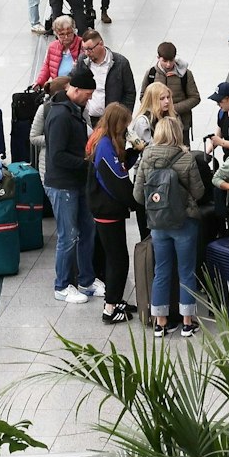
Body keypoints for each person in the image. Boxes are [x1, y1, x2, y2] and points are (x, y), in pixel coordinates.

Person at [135, 117, 207, 335]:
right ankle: (187, 322)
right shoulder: (186, 158)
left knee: (161, 271)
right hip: (184, 222)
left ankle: (160, 322)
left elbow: (138, 195)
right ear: (177, 133)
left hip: (158, 223)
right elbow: (199, 192)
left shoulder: (147, 156)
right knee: (186, 272)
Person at [44, 68, 102, 304]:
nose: (90, 99)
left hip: (77, 182)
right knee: (68, 236)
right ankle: (62, 285)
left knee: (88, 231)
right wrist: (86, 163)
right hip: (62, 185)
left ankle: (86, 280)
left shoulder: (74, 110)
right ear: (75, 90)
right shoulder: (60, 115)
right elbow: (57, 156)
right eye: (87, 94)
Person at [88, 103, 139, 325]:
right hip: (107, 211)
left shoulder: (106, 141)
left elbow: (121, 164)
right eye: (124, 124)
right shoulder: (105, 145)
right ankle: (110, 308)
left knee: (116, 257)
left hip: (108, 210)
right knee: (117, 259)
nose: (126, 129)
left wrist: (134, 152)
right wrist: (135, 202)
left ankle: (116, 299)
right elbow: (116, 180)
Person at [143, 43, 201, 136]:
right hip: (156, 125)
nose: (168, 64)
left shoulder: (185, 74)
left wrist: (172, 109)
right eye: (165, 61)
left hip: (181, 124)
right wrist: (157, 107)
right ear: (158, 58)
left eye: (171, 60)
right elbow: (144, 97)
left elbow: (195, 98)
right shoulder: (151, 74)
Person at [73, 29, 136, 116]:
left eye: (90, 49)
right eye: (84, 49)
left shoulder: (121, 63)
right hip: (88, 118)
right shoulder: (83, 60)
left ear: (101, 44)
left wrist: (124, 116)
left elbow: (130, 92)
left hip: (112, 119)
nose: (87, 53)